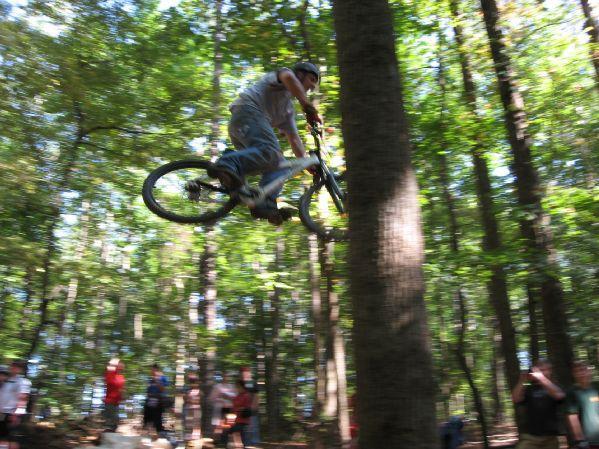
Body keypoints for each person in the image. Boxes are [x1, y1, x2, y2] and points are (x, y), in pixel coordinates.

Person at [208, 61, 322, 225]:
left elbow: (294, 138)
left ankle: (264, 202)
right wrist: (307, 106)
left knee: (280, 164)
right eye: (311, 79)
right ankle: (228, 162)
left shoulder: (288, 110)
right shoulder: (282, 77)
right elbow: (288, 77)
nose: (312, 85)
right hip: (248, 111)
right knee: (270, 151)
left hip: (243, 129)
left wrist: (305, 162)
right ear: (300, 74)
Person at [511, 359, 565, 449]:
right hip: (530, 437)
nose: (541, 373)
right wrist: (522, 380)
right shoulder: (528, 389)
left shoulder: (556, 386)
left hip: (550, 437)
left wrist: (542, 378)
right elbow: (515, 399)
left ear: (550, 371)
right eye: (539, 370)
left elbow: (559, 396)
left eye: (544, 370)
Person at [566, 361, 599, 449]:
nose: (582, 373)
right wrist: (580, 440)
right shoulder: (572, 392)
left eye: (584, 370)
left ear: (589, 371)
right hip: (586, 442)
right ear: (574, 374)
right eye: (577, 371)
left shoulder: (596, 388)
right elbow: (573, 417)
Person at [0, 361, 31, 449]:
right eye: (13, 366)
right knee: (3, 439)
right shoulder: (5, 380)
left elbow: (23, 398)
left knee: (12, 441)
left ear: (21, 369)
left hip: (12, 414)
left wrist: (16, 415)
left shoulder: (23, 382)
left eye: (18, 367)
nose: (14, 368)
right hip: (2, 414)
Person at [220, 380, 252, 449]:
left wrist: (239, 409)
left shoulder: (246, 396)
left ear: (241, 387)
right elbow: (233, 405)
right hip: (236, 421)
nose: (236, 388)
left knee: (228, 432)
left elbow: (246, 408)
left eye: (237, 387)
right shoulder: (238, 396)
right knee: (229, 432)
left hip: (242, 421)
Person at [143, 364, 169, 435]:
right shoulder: (150, 379)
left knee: (158, 418)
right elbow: (148, 391)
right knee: (147, 418)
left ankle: (159, 434)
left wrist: (157, 380)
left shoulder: (163, 377)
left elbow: (163, 389)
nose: (151, 371)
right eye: (151, 370)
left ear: (156, 370)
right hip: (150, 401)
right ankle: (147, 434)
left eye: (152, 370)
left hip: (159, 401)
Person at [209, 373, 235, 438]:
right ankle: (216, 440)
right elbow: (211, 398)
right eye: (225, 376)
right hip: (219, 408)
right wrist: (220, 398)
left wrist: (228, 396)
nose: (226, 378)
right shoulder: (217, 386)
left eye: (227, 377)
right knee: (218, 424)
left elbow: (235, 397)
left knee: (228, 424)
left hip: (228, 408)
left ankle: (226, 439)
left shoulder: (231, 387)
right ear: (222, 378)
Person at [239, 366, 260, 447]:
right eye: (243, 372)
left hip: (251, 410)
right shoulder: (240, 384)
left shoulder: (251, 383)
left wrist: (253, 407)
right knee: (244, 428)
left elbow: (256, 396)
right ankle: (246, 444)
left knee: (253, 428)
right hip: (242, 410)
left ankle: (254, 444)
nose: (245, 374)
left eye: (246, 372)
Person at [103, 358, 125, 432]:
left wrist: (122, 396)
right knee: (110, 421)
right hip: (109, 401)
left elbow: (121, 389)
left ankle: (112, 431)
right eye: (119, 364)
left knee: (115, 421)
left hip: (116, 402)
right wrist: (113, 363)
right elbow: (109, 368)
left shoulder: (121, 377)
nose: (121, 365)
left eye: (121, 364)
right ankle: (108, 431)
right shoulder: (110, 374)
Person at [183, 372, 202, 443]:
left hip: (195, 409)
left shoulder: (198, 390)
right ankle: (189, 441)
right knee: (189, 426)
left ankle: (195, 441)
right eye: (191, 381)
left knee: (195, 425)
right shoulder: (188, 390)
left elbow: (199, 398)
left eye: (193, 381)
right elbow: (185, 399)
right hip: (190, 409)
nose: (193, 383)